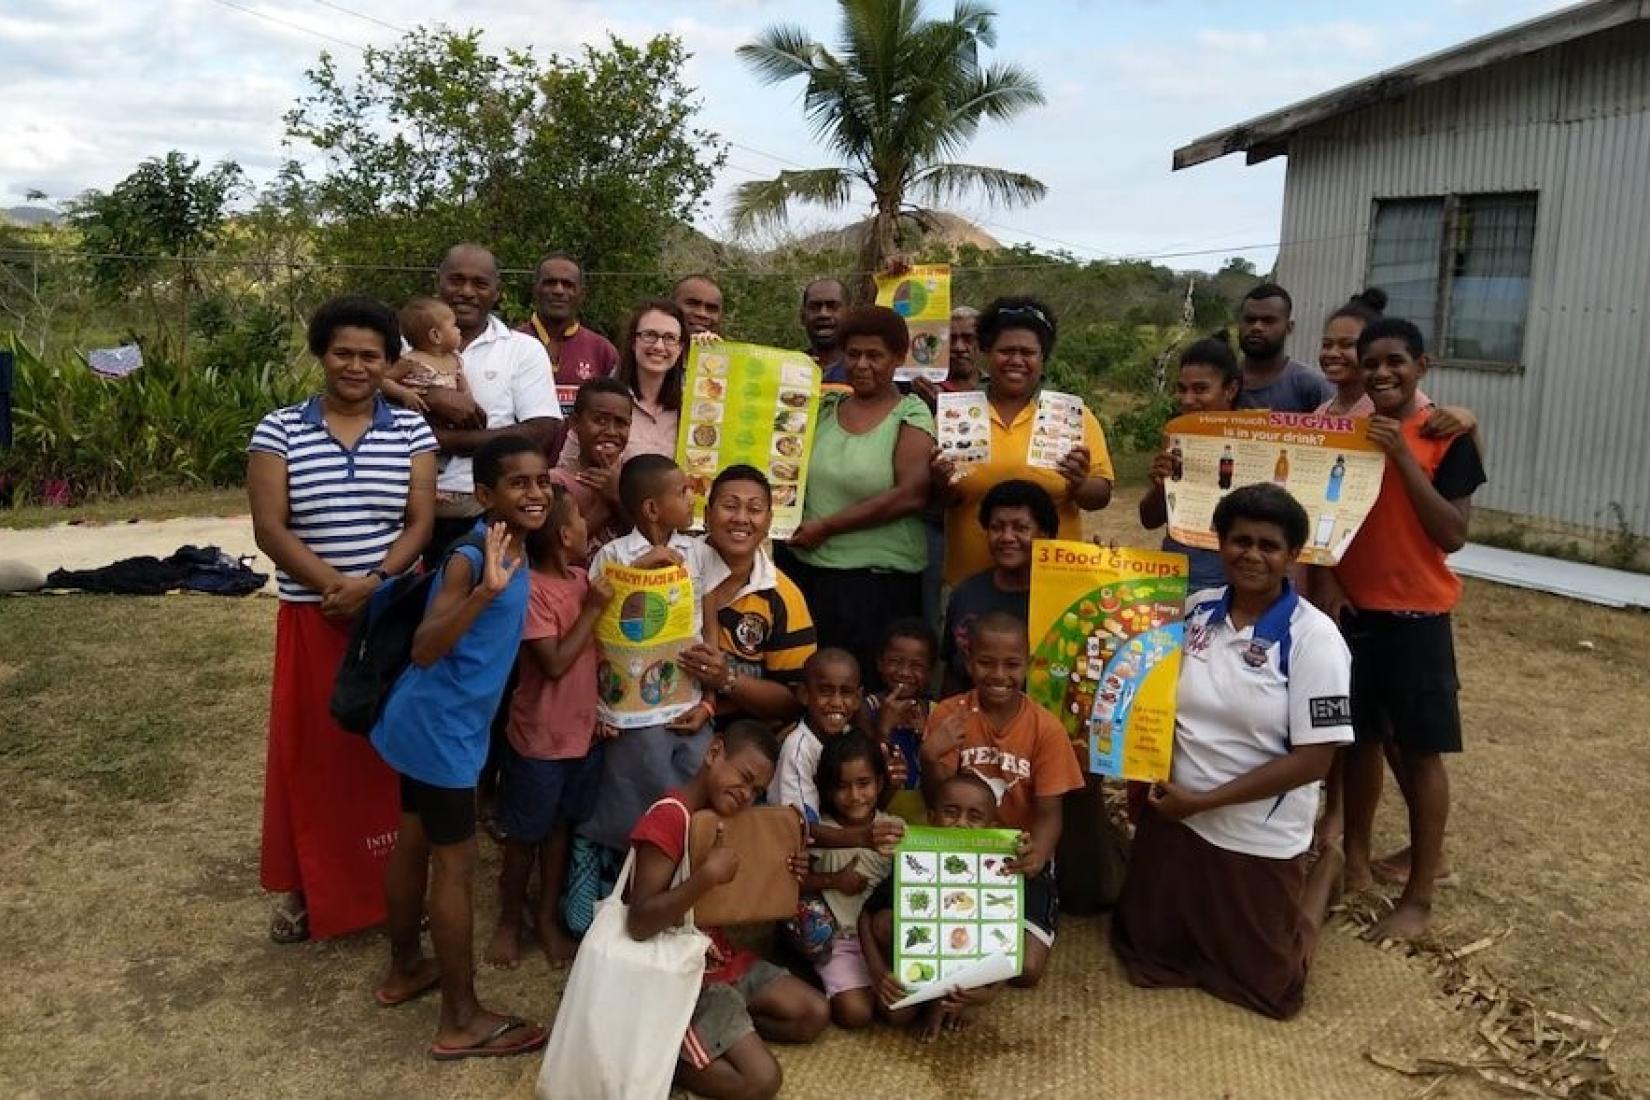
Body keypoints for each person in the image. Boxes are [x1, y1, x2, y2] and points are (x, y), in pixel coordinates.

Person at [1110, 483, 1354, 1020]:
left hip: (1255, 831)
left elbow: (1315, 761)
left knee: (1270, 987)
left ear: (1293, 557)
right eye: (1240, 540)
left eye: (1269, 545)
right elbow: (1139, 678)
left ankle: (1322, 873)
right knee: (1145, 953)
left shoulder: (1317, 639)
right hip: (1176, 817)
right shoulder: (1195, 610)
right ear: (1219, 545)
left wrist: (1202, 801)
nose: (1252, 555)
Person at [248, 295, 438, 944]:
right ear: (321, 354)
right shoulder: (279, 430)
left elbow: (421, 522)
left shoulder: (411, 430)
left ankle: (394, 887)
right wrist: (335, 587)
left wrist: (378, 585)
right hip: (314, 618)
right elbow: (270, 528)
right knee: (314, 760)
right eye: (343, 353)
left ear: (389, 363)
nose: (355, 366)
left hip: (390, 621)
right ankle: (311, 891)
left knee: (386, 758)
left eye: (370, 355)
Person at [370, 434, 551, 1062]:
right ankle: (460, 1017)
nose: (536, 493)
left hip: (426, 725)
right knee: (454, 864)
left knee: (414, 839)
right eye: (519, 484)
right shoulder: (473, 558)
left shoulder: (517, 549)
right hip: (440, 730)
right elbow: (425, 646)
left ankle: (404, 970)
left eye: (542, 481)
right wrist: (483, 594)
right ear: (483, 496)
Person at [1322, 317, 1486, 941]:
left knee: (1420, 755)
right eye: (1372, 364)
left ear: (1423, 365)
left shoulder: (1446, 436)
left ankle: (1419, 897)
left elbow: (1452, 532)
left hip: (1418, 617)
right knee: (1357, 743)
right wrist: (1333, 578)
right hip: (1356, 614)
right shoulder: (1351, 434)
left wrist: (1400, 454)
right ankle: (1356, 866)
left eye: (1396, 361)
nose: (1383, 373)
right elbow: (1330, 516)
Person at [625, 721, 829, 1100]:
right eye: (745, 777)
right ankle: (668, 1061)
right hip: (679, 974)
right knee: (762, 1080)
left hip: (720, 957)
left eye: (756, 790)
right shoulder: (669, 818)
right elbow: (639, 923)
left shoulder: (729, 816)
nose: (746, 794)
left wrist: (786, 872)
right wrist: (705, 878)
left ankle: (722, 1034)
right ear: (714, 752)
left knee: (813, 1014)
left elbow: (739, 889)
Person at [920, 611, 1085, 988]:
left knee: (1026, 971)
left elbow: (1049, 813)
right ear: (968, 662)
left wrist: (1038, 856)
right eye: (986, 663)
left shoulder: (1046, 727)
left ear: (1028, 664)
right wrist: (930, 757)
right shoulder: (950, 715)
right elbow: (937, 800)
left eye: (1011, 665)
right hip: (957, 852)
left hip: (1015, 857)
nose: (998, 675)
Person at [484, 485, 612, 970]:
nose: (587, 526)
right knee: (523, 836)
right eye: (580, 518)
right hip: (540, 738)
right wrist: (594, 609)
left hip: (582, 736)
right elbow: (555, 663)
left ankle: (545, 915)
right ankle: (508, 921)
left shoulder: (583, 579)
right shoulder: (533, 590)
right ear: (564, 535)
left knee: (559, 830)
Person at [779, 305, 935, 679]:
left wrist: (827, 528)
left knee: (865, 695)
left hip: (878, 587)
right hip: (812, 577)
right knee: (813, 687)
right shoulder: (824, 409)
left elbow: (911, 494)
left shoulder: (911, 413)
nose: (862, 364)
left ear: (898, 358)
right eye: (853, 354)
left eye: (875, 355)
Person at [576, 453, 713, 856]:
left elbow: (709, 623)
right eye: (683, 492)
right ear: (653, 508)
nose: (692, 499)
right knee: (630, 800)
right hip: (629, 713)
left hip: (687, 703)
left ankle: (678, 878)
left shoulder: (698, 552)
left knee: (686, 793)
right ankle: (612, 878)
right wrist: (641, 567)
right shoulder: (613, 556)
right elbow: (601, 630)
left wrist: (709, 700)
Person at [932, 296, 1115, 587]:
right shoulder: (957, 414)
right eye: (1006, 351)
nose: (1016, 360)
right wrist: (940, 483)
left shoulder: (1072, 416)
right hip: (970, 588)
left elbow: (1100, 495)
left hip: (1053, 587)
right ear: (986, 353)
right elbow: (944, 500)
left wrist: (1080, 483)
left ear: (1043, 359)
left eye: (1028, 352)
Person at [422, 243, 563, 565]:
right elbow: (375, 414)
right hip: (405, 507)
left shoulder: (522, 350)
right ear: (438, 282)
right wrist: (434, 398)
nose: (467, 292)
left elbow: (539, 431)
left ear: (497, 292)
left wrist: (442, 440)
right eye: (456, 280)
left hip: (486, 513)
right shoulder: (400, 345)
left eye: (480, 284)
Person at [860, 772, 1011, 1040]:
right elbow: (867, 915)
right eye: (951, 813)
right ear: (931, 818)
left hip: (968, 964)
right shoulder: (916, 860)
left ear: (992, 826)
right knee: (896, 1015)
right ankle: (927, 994)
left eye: (974, 817)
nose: (961, 824)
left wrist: (989, 993)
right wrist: (878, 971)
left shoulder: (1000, 868)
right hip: (924, 952)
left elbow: (1007, 935)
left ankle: (952, 1001)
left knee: (986, 928)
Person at [678, 465, 817, 727]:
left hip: (743, 734)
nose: (741, 518)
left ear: (769, 521)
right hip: (667, 718)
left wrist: (727, 679)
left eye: (754, 509)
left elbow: (794, 702)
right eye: (730, 506)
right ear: (707, 515)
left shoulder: (783, 597)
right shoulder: (674, 568)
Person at [798, 730, 902, 1029]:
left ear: (880, 783)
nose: (855, 796)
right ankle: (818, 972)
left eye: (864, 783)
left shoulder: (896, 830)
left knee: (899, 1011)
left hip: (881, 938)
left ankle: (869, 979)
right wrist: (833, 880)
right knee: (856, 1014)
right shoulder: (822, 834)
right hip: (838, 941)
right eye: (842, 787)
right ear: (828, 791)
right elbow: (793, 884)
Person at [1138, 335, 1243, 593]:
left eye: (1200, 389)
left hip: (1231, 583)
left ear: (1230, 389)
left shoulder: (1258, 441)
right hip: (1177, 578)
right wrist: (1160, 487)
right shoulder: (1175, 437)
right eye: (1182, 389)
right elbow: (1149, 520)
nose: (1186, 399)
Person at [942, 479, 1058, 694]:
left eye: (1020, 528)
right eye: (996, 528)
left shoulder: (1060, 597)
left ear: (1044, 534)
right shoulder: (966, 594)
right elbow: (953, 672)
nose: (1007, 537)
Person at [914, 304, 981, 630]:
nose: (959, 347)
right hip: (933, 524)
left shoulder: (994, 393)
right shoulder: (916, 388)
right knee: (934, 617)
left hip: (980, 521)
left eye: (969, 338)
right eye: (951, 339)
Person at [566, 298, 690, 469]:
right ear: (633, 342)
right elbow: (567, 471)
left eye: (670, 338)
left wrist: (714, 351)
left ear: (680, 348)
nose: (659, 346)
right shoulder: (602, 400)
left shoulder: (693, 406)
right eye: (650, 335)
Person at [767, 648, 865, 824]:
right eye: (826, 691)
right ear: (804, 694)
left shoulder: (852, 737)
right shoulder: (797, 749)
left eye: (846, 692)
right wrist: (863, 838)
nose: (836, 703)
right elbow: (803, 828)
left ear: (858, 698)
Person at [518, 252, 617, 412]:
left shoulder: (602, 351)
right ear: (535, 290)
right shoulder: (510, 344)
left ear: (582, 294)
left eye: (568, 284)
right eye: (550, 283)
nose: (558, 290)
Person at [862, 619, 938, 824]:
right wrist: (884, 727)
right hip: (879, 817)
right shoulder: (866, 709)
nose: (904, 672)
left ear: (930, 672)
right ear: (880, 663)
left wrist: (926, 734)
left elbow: (941, 775)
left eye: (916, 665)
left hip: (925, 820)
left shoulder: (936, 713)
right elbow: (865, 764)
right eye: (895, 661)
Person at [549, 377, 632, 560]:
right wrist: (604, 506)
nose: (611, 431)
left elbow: (647, 541)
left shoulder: (634, 480)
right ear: (575, 423)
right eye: (600, 420)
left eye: (621, 423)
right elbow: (557, 554)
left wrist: (618, 498)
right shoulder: (555, 483)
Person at [1234, 283, 1335, 413]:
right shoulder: (1220, 382)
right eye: (1249, 320)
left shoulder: (1312, 386)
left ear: (1289, 327)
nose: (1256, 327)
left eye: (1268, 321)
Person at [381, 296, 468, 416]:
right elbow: (383, 381)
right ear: (436, 336)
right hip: (417, 418)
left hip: (449, 420)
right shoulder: (412, 361)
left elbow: (465, 391)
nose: (459, 330)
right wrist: (404, 393)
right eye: (454, 326)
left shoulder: (454, 360)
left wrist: (466, 405)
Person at [801, 277, 847, 373]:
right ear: (802, 317)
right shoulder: (790, 368)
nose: (823, 314)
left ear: (850, 314)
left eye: (832, 306)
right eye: (814, 307)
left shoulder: (862, 370)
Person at [672, 273, 725, 338]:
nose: (702, 314)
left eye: (711, 308)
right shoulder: (657, 346)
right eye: (692, 304)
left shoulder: (731, 347)